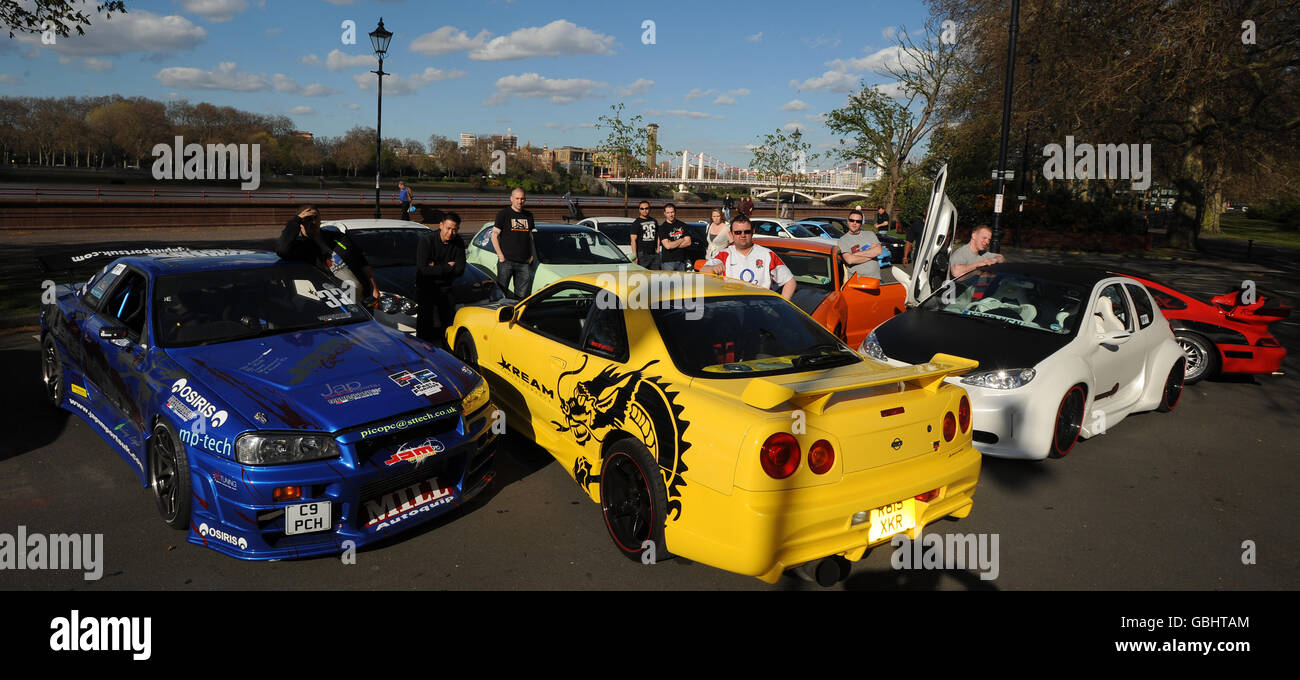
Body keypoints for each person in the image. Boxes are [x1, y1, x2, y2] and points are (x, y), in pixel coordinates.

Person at [277, 205, 380, 303]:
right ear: (301, 222)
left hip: (362, 298)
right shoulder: (300, 246)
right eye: (308, 219)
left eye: (315, 217)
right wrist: (295, 221)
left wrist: (374, 289)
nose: (313, 222)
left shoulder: (337, 237)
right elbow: (282, 250)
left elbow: (361, 262)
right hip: (335, 302)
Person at [701, 215, 796, 300]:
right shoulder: (723, 254)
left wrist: (781, 305)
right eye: (738, 232)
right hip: (732, 309)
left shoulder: (767, 254)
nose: (742, 235)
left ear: (752, 232)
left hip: (761, 309)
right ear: (731, 234)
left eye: (747, 231)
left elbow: (790, 281)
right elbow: (703, 271)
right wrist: (711, 269)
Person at [415, 211, 466, 349]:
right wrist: (447, 267)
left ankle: (447, 351)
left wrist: (435, 266)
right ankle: (421, 350)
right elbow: (423, 269)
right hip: (427, 287)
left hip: (446, 288)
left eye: (454, 229)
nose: (451, 233)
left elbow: (460, 269)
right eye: (448, 228)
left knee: (448, 322)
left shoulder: (458, 242)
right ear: (441, 225)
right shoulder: (427, 241)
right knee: (425, 324)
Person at [491, 187, 536, 298]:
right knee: (501, 293)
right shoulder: (503, 214)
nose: (520, 201)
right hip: (506, 262)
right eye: (517, 198)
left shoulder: (529, 215)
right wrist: (501, 256)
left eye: (522, 199)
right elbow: (494, 236)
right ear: (511, 199)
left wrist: (531, 255)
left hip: (524, 263)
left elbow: (530, 237)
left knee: (522, 296)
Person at [838, 209, 883, 281]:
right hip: (857, 281)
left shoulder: (870, 234)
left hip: (875, 279)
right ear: (848, 221)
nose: (854, 223)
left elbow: (878, 251)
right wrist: (871, 256)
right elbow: (850, 260)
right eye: (852, 220)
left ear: (861, 223)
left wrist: (856, 254)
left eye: (858, 221)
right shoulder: (843, 240)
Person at [657, 203, 692, 271]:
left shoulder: (683, 225)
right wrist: (681, 239)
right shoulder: (662, 228)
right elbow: (667, 246)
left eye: (672, 212)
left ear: (675, 212)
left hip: (681, 260)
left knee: (681, 281)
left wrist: (672, 244)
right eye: (668, 213)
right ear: (664, 213)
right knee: (668, 281)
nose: (670, 215)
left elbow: (688, 242)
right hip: (668, 262)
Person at [630, 200, 660, 269]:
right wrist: (635, 256)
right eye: (642, 208)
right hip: (642, 254)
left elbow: (657, 235)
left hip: (654, 253)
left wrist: (658, 249)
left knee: (655, 276)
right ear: (639, 210)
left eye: (646, 208)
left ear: (649, 209)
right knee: (642, 276)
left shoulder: (654, 221)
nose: (644, 210)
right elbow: (633, 240)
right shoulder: (636, 223)